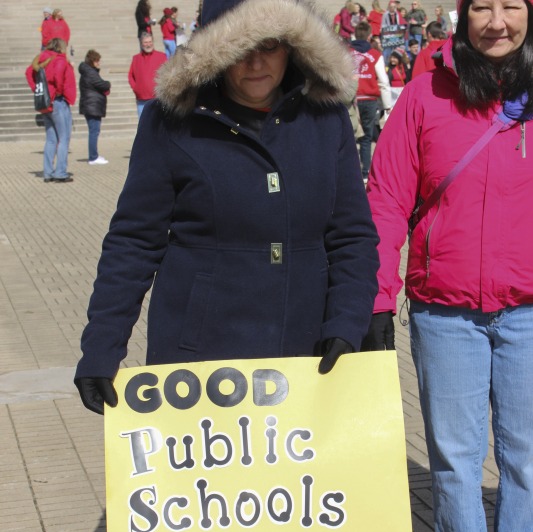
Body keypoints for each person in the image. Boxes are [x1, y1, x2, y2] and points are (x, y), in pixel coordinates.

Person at [74, 0, 380, 417]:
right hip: (202, 359)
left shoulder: (324, 118)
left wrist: (347, 322)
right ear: (216, 50)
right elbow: (134, 240)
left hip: (307, 351)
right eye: (239, 47)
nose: (255, 62)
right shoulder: (174, 121)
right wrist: (102, 346)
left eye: (269, 44)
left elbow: (352, 235)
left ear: (291, 46)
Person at [367, 0, 533, 532]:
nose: (496, 22)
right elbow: (384, 198)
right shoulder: (423, 94)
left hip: (526, 311)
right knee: (456, 461)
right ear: (462, 16)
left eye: (510, 7)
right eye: (483, 7)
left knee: (524, 460)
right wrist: (377, 300)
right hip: (445, 313)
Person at [25, 38, 76, 182]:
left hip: (45, 103)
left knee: (51, 139)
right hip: (57, 101)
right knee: (63, 138)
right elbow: (58, 78)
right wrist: (58, 92)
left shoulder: (41, 58)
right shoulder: (59, 60)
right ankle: (60, 172)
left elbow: (28, 73)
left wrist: (37, 90)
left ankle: (48, 172)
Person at [351, 20, 392, 181]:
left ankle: (351, 170)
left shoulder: (346, 52)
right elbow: (383, 81)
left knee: (350, 136)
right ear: (369, 36)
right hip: (369, 99)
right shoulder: (375, 54)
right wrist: (387, 105)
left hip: (351, 98)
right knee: (367, 136)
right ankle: (365, 172)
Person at [79, 49, 111, 165]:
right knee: (94, 131)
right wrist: (108, 84)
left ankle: (94, 155)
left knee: (94, 131)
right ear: (92, 61)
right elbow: (102, 84)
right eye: (97, 61)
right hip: (92, 105)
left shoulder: (88, 71)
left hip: (91, 105)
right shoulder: (90, 72)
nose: (98, 63)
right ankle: (93, 157)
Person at [128, 31, 166, 117]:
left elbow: (167, 74)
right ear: (141, 44)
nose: (148, 44)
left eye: (150, 42)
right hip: (141, 100)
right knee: (143, 127)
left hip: (157, 99)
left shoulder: (162, 56)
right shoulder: (136, 58)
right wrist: (136, 88)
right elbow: (130, 75)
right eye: (145, 42)